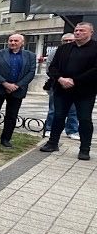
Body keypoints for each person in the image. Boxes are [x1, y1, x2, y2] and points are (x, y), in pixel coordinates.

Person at [41, 22, 97, 160]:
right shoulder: (64, 48)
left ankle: (84, 149)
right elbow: (53, 67)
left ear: (91, 33)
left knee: (84, 119)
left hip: (85, 92)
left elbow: (95, 70)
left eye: (82, 31)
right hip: (62, 89)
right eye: (76, 30)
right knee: (58, 116)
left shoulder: (96, 48)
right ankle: (52, 143)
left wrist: (74, 81)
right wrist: (60, 79)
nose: (78, 33)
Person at [0, 34, 37, 148]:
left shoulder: (30, 56)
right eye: (10, 40)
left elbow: (31, 73)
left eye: (16, 41)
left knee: (11, 116)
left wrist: (17, 86)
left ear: (22, 43)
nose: (13, 43)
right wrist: (5, 84)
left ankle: (6, 139)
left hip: (17, 90)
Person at [43, 33, 79, 139]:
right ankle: (49, 129)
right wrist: (61, 80)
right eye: (65, 41)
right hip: (57, 85)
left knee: (73, 110)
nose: (68, 42)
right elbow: (49, 68)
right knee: (53, 109)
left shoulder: (80, 52)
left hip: (74, 85)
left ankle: (72, 131)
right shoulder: (55, 52)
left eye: (70, 40)